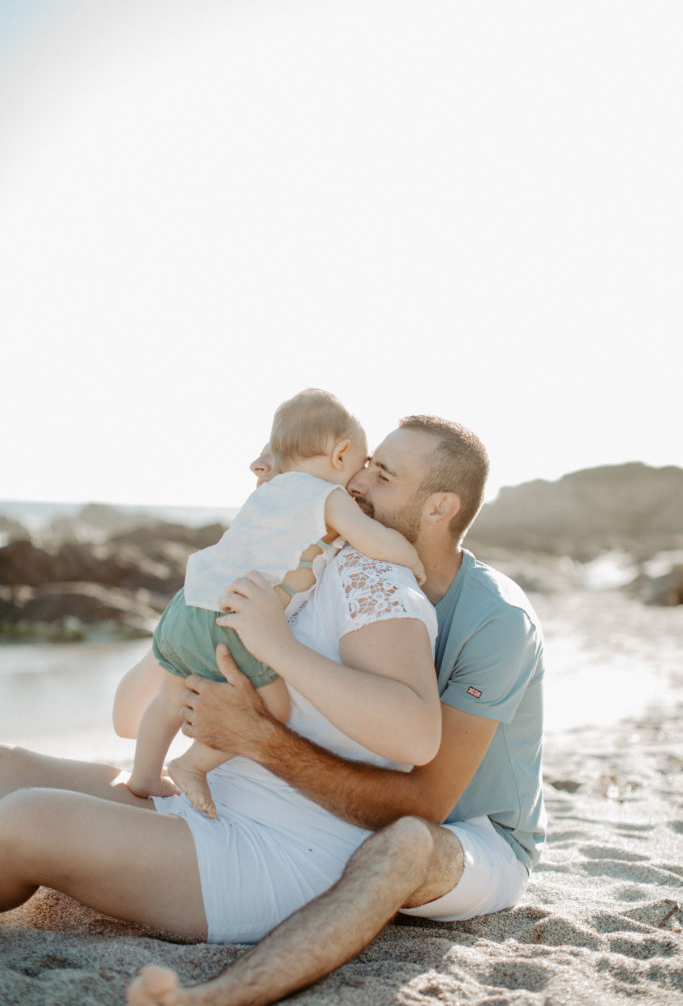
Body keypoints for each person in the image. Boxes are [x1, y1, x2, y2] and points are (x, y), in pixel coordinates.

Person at [126, 414, 546, 1006]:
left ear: (438, 508)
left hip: (475, 835)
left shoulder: (496, 620)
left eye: (382, 477)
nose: (356, 485)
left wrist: (259, 736)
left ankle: (222, 996)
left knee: (405, 842)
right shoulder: (354, 571)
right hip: (365, 811)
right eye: (365, 467)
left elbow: (428, 801)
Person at [0, 418, 443, 951]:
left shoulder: (370, 572)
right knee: (8, 766)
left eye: (278, 457)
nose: (258, 466)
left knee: (22, 821)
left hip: (275, 850)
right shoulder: (254, 571)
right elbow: (126, 716)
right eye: (263, 456)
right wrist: (186, 644)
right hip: (203, 804)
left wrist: (278, 648)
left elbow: (417, 735)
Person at [128, 388, 426, 818]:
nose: (359, 479)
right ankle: (191, 765)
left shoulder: (265, 492)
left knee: (168, 697)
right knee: (276, 708)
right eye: (361, 464)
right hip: (229, 617)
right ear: (342, 454)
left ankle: (143, 774)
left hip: (187, 604)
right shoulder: (328, 497)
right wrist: (411, 558)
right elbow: (372, 538)